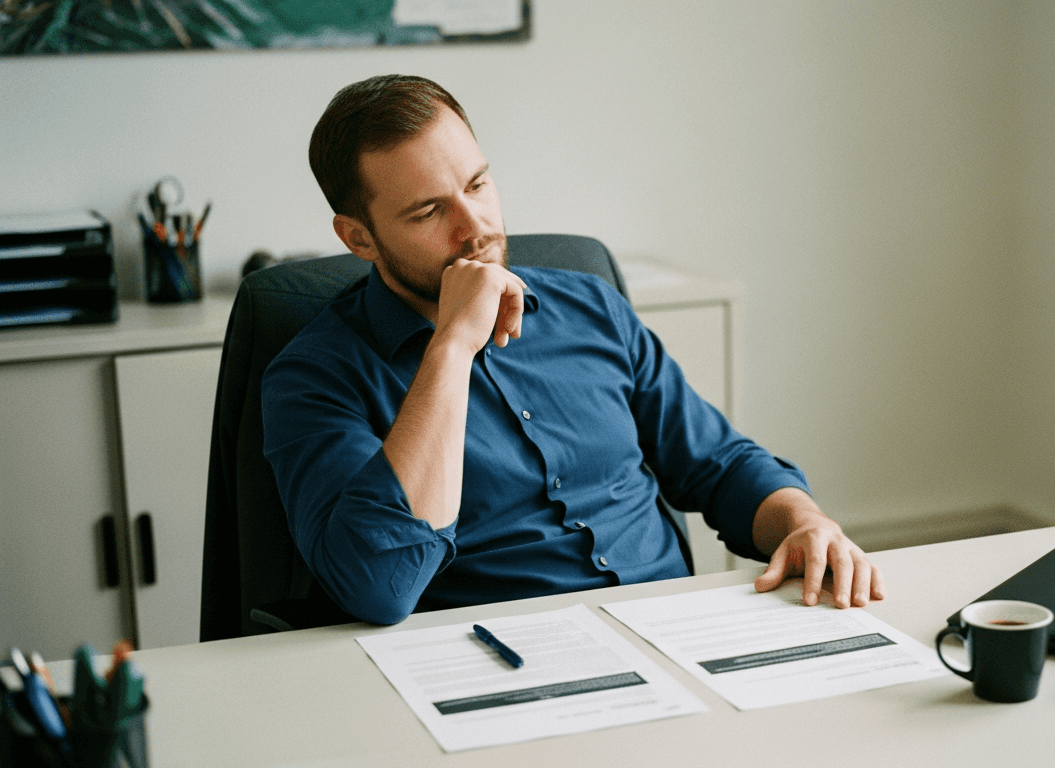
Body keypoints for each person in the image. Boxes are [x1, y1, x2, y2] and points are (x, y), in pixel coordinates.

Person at [262, 74, 884, 624]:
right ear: (359, 238)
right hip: (499, 663)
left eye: (477, 185)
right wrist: (451, 348)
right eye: (428, 212)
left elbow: (716, 463)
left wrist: (803, 521)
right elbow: (378, 585)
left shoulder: (590, 306)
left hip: (677, 628)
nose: (474, 226)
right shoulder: (313, 377)